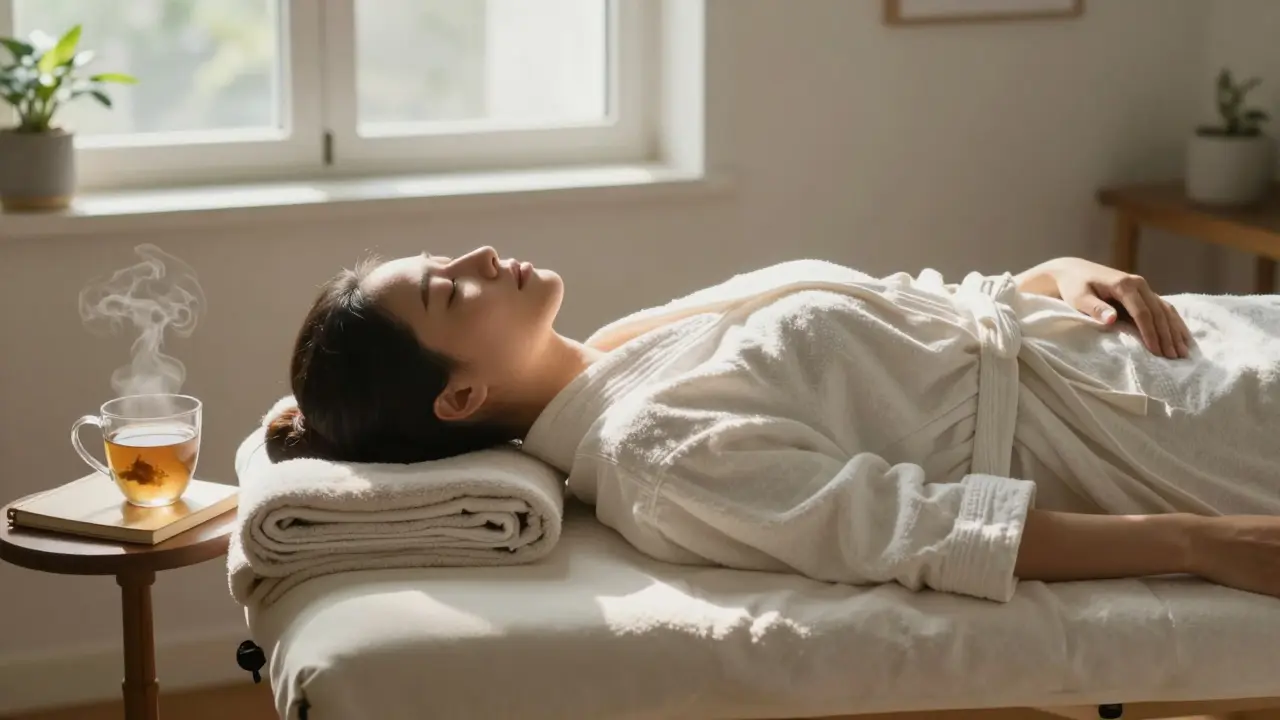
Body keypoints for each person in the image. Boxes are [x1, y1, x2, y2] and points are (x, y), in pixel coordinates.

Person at [266, 246, 1280, 603]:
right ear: (457, 401)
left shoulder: (634, 342)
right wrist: (1203, 542)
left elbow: (903, 323)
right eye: (451, 290)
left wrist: (1053, 274)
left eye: (450, 255)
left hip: (1170, 339)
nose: (482, 255)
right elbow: (925, 529)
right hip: (1177, 430)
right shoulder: (655, 455)